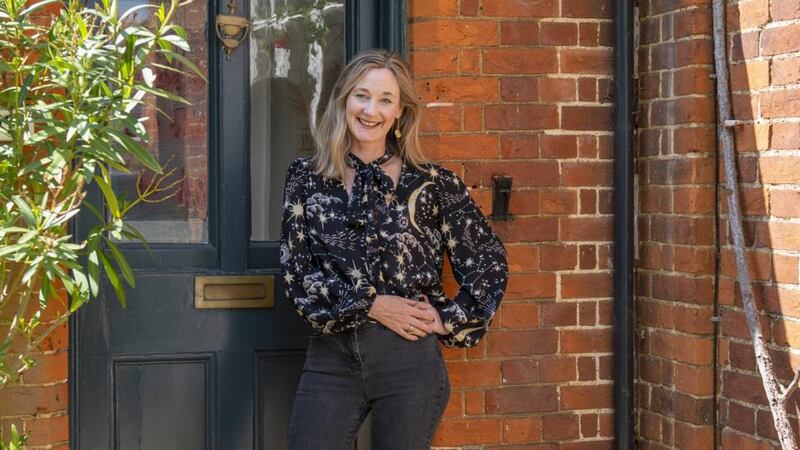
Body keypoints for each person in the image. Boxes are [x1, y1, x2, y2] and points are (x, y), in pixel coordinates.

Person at [281, 49, 509, 450]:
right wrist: (371, 304)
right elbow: (297, 273)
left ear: (400, 111)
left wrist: (448, 319)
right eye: (362, 95)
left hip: (409, 363)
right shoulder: (306, 178)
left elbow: (488, 261)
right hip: (331, 357)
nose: (371, 110)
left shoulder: (433, 185)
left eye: (385, 99)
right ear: (344, 100)